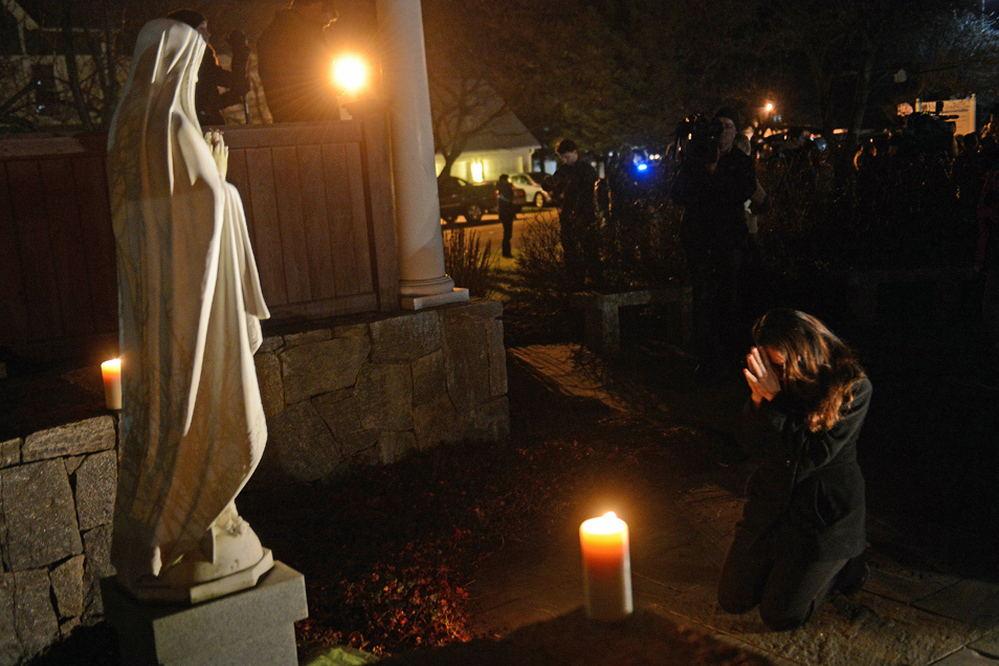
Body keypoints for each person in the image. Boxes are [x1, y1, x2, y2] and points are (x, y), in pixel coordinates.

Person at [106, 17, 271, 594]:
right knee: (220, 420)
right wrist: (222, 181)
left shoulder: (127, 130)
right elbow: (202, 207)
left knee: (167, 419)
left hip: (162, 315)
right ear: (179, 63)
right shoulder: (173, 126)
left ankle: (174, 520)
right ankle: (194, 524)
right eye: (196, 63)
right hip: (196, 312)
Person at [718, 309, 872, 631]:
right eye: (769, 364)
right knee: (733, 599)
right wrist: (758, 401)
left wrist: (774, 399)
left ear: (803, 353)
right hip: (774, 504)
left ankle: (843, 570)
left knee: (781, 615)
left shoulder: (852, 386)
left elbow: (813, 454)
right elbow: (748, 442)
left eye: (779, 363)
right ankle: (786, 570)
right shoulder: (774, 380)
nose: (774, 372)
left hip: (822, 516)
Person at [675, 107, 757, 370]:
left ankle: (730, 353)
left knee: (729, 294)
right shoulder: (694, 159)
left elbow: (740, 192)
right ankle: (706, 357)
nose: (722, 131)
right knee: (702, 296)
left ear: (736, 132)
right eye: (718, 125)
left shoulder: (742, 162)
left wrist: (714, 173)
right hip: (698, 238)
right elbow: (677, 194)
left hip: (729, 238)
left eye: (728, 126)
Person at [256, 0, 339, 122]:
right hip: (309, 121)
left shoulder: (279, 33)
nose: (324, 26)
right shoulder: (290, 36)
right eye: (323, 24)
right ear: (315, 5)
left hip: (302, 121)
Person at [166, 9, 250, 125]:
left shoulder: (172, 59)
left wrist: (234, 94)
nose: (208, 34)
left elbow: (206, 101)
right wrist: (240, 51)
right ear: (187, 33)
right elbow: (235, 81)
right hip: (204, 124)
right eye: (201, 29)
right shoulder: (198, 59)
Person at [546, 139, 600, 287]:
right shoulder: (563, 170)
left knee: (589, 250)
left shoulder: (586, 170)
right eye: (562, 157)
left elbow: (590, 193)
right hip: (568, 217)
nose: (565, 160)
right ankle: (576, 282)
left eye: (567, 157)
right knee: (570, 252)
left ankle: (595, 281)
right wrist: (550, 186)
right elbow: (555, 188)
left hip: (585, 215)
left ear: (575, 153)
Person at [496, 174, 517, 258]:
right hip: (506, 214)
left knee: (508, 234)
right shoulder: (503, 189)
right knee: (507, 234)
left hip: (507, 214)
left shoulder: (502, 189)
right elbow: (509, 201)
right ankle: (506, 252)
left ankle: (506, 252)